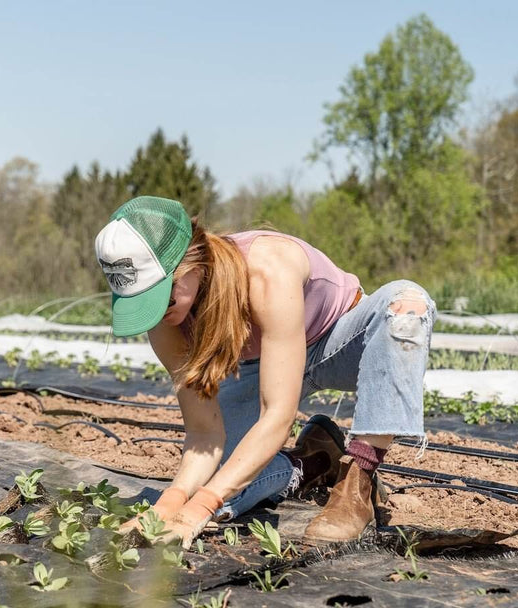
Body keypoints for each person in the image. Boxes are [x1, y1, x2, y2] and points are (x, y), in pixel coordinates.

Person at [95, 196, 436, 547]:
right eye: (141, 303)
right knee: (220, 484)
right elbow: (204, 434)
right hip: (263, 365)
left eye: (162, 297)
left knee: (407, 306)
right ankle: (312, 462)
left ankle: (358, 481)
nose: (158, 313)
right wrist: (172, 502)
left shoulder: (266, 268)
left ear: (191, 261)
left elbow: (278, 415)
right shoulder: (165, 321)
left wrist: (201, 507)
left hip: (339, 343)